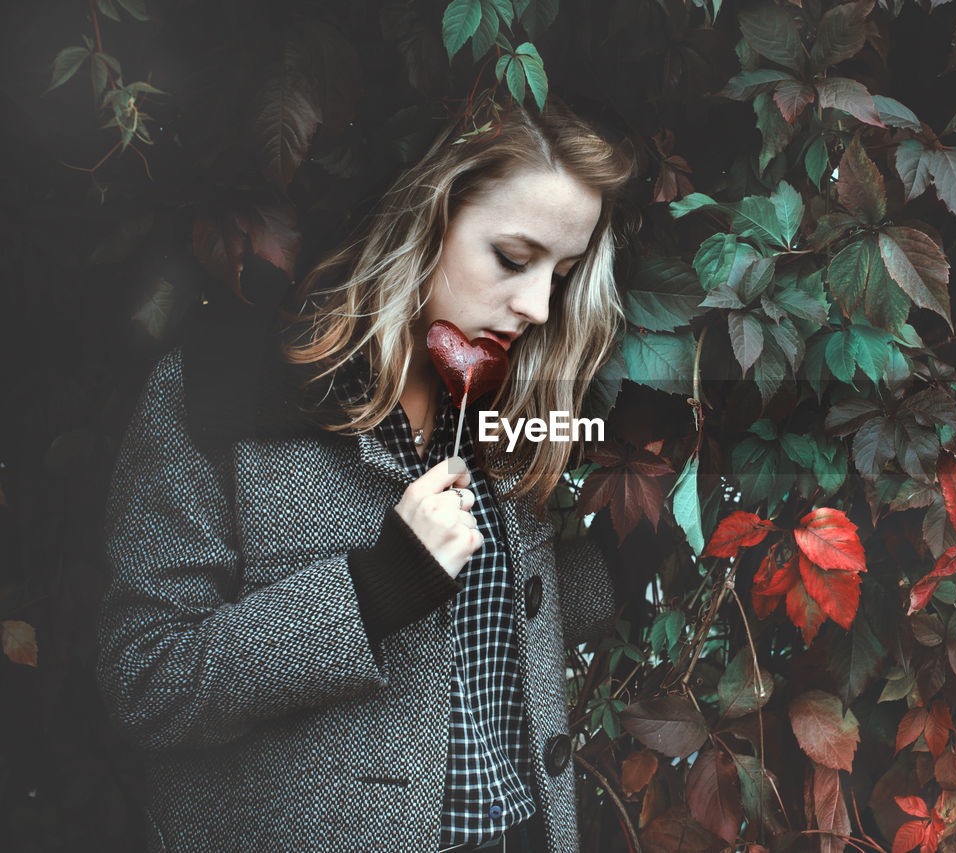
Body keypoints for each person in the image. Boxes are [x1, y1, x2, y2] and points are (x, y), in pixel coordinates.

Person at [95, 98, 633, 853]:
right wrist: (367, 594)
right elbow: (145, 681)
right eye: (513, 258)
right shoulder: (219, 395)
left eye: (565, 272)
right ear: (429, 217)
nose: (539, 305)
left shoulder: (506, 403)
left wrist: (619, 559)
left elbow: (482, 634)